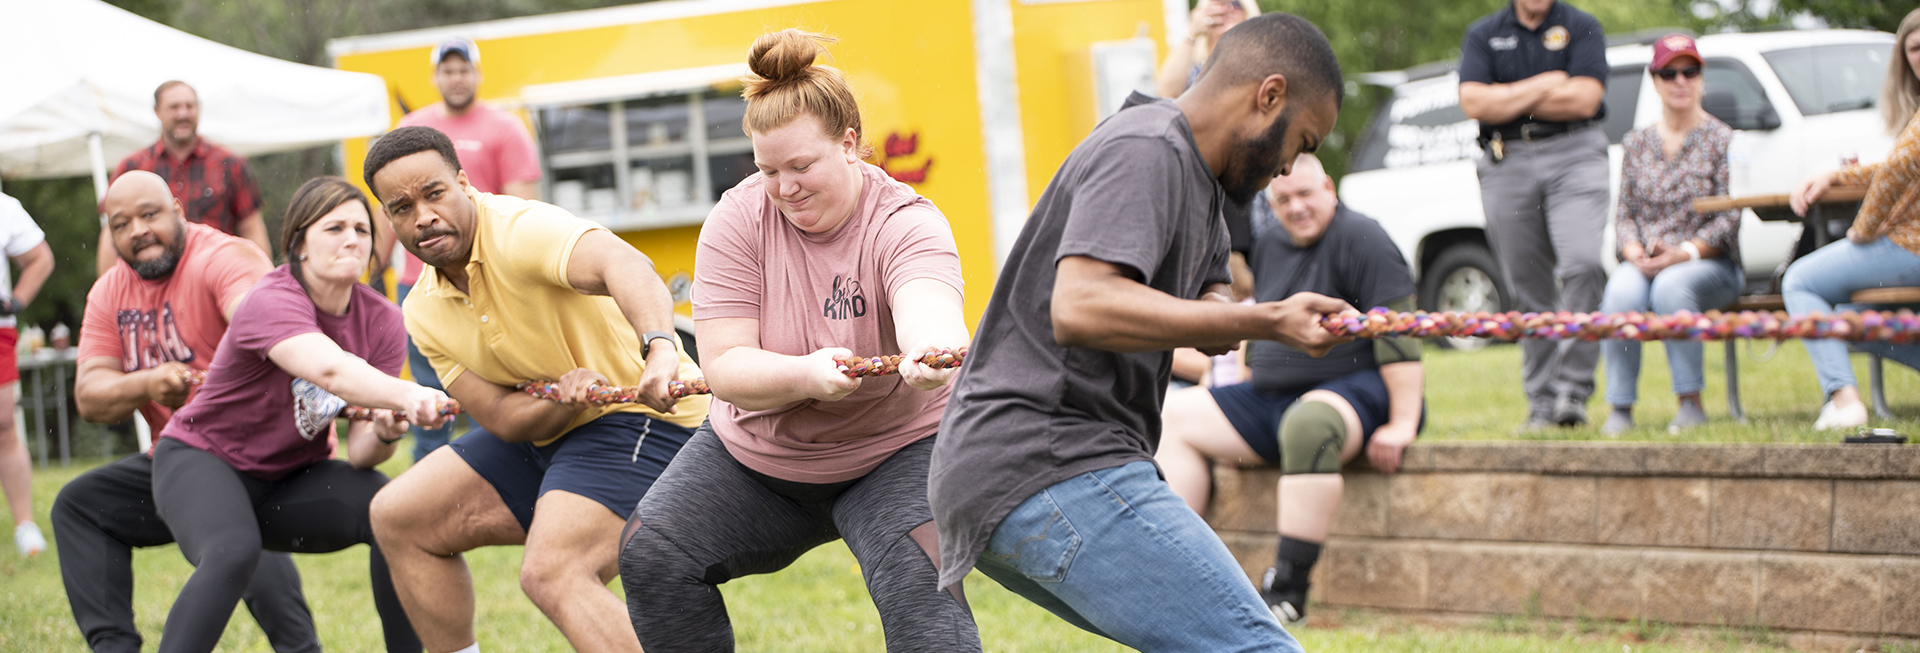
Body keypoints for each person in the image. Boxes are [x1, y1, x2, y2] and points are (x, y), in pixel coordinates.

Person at [929, 14, 1351, 651]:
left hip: (1024, 468)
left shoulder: (1202, 186)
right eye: (1303, 138)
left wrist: (1225, 305)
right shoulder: (1148, 146)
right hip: (1047, 459)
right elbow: (1083, 306)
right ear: (1268, 96)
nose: (1291, 166)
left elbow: (1206, 301)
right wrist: (1264, 321)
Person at [620, 30, 980, 651]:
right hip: (760, 459)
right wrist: (807, 376)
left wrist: (930, 352)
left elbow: (929, 304)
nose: (785, 188)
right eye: (767, 170)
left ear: (849, 144)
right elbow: (727, 367)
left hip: (895, 453)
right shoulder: (737, 219)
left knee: (921, 587)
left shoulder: (905, 221)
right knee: (650, 554)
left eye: (801, 166)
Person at [363, 126, 707, 653]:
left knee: (553, 571)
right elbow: (500, 417)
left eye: (434, 194)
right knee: (399, 515)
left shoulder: (520, 229)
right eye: (401, 207)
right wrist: (559, 403)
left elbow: (625, 264)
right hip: (555, 430)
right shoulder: (422, 309)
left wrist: (660, 347)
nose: (423, 216)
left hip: (644, 418)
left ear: (462, 183)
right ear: (389, 219)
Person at [148, 177, 441, 653]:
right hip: (201, 460)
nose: (352, 238)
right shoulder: (273, 298)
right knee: (233, 552)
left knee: (395, 514)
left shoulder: (384, 320)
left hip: (286, 474)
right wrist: (408, 394)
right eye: (334, 228)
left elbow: (363, 453)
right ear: (299, 243)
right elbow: (330, 368)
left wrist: (386, 429)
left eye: (362, 230)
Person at [1154, 153, 1423, 627]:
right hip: (1270, 396)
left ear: (1329, 189)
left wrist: (1402, 423)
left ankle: (1288, 592)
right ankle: (1171, 572)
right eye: (1283, 199)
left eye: (1306, 194)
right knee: (1171, 416)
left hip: (1352, 392)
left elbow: (1397, 334)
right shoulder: (1272, 243)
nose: (1296, 207)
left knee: (1308, 425)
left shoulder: (1366, 238)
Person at [57, 170, 319, 652]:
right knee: (79, 505)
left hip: (256, 454)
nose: (137, 230)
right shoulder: (110, 291)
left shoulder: (223, 256)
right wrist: (149, 383)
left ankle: (300, 647)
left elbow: (261, 319)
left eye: (149, 214)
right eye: (121, 223)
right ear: (110, 236)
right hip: (179, 460)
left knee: (230, 530)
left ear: (178, 211)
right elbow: (90, 395)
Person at [385, 37, 544, 462]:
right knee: (427, 397)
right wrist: (376, 265)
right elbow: (390, 207)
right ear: (435, 77)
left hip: (489, 279)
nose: (456, 78)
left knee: (500, 387)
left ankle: (506, 475)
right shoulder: (411, 130)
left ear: (477, 74)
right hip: (416, 283)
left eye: (463, 70)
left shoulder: (505, 128)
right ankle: (433, 486)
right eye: (447, 71)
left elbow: (523, 209)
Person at [1457, 0, 1609, 430]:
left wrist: (1505, 95)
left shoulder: (1581, 26)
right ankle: (1542, 404)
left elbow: (1584, 99)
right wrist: (1546, 82)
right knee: (1528, 285)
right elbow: (1473, 102)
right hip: (1506, 158)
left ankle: (1572, 393)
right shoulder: (1483, 33)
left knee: (1583, 264)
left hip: (1575, 153)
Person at [1784, 7, 1920, 431]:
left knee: (1800, 282)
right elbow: (1896, 165)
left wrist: (1862, 230)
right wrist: (1838, 175)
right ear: (1904, 57)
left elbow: (1900, 165)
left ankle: (1845, 401)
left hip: (1910, 245)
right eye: (1916, 47)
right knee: (1849, 315)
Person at [1598, 35, 1741, 435]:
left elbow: (1730, 219)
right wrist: (1632, 250)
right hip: (1645, 259)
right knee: (1620, 294)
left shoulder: (1724, 139)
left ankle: (1690, 402)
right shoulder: (1636, 142)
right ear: (1655, 80)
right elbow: (1624, 214)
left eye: (1689, 71)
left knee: (1671, 289)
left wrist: (1683, 253)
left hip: (1708, 263)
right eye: (1669, 72)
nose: (1680, 81)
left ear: (1701, 77)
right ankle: (1620, 407)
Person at [102, 81, 269, 275]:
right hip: (151, 283)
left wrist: (261, 281)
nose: (183, 114)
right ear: (157, 111)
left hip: (217, 276)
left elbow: (251, 230)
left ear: (198, 109)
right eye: (174, 107)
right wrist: (111, 290)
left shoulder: (230, 164)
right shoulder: (132, 167)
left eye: (190, 106)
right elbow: (111, 235)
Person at [0, 193, 52, 556]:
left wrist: (15, 300)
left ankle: (25, 526)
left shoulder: (4, 207)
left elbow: (40, 259)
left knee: (4, 426)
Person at [1154, 0, 1260, 99]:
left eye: (1235, 3)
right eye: (1218, 4)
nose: (1227, 9)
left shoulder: (1257, 60)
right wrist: (1192, 33)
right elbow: (1166, 94)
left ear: (1247, 11)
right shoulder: (1194, 65)